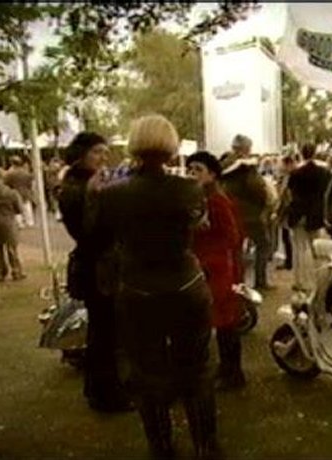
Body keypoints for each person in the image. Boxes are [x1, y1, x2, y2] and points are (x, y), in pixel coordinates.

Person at [89, 115, 217, 458]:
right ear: (170, 146)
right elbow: (199, 223)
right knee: (196, 370)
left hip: (138, 290)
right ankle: (206, 446)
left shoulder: (112, 194)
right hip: (186, 286)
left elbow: (98, 238)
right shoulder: (189, 188)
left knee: (148, 375)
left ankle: (161, 447)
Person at [58, 132, 132, 413]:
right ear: (81, 155)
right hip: (97, 269)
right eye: (97, 152)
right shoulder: (80, 188)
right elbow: (91, 232)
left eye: (105, 152)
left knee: (103, 333)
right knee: (104, 335)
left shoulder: (82, 184)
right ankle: (106, 395)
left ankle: (99, 390)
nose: (103, 157)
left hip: (98, 266)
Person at [188, 151, 246, 391]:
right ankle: (227, 370)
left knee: (225, 322)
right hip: (208, 267)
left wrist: (204, 237)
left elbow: (232, 236)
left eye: (198, 170)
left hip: (217, 269)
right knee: (221, 321)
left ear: (212, 174)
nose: (192, 174)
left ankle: (232, 373)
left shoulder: (216, 201)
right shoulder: (201, 198)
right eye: (190, 169)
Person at [220, 134, 271, 290]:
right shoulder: (246, 166)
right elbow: (255, 186)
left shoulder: (224, 165)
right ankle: (260, 281)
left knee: (237, 250)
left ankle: (238, 282)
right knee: (264, 245)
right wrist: (264, 197)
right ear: (245, 148)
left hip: (232, 212)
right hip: (250, 213)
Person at [286, 143, 332, 292]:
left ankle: (299, 281)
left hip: (298, 213)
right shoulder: (324, 173)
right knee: (316, 248)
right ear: (314, 152)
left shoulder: (295, 173)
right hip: (315, 214)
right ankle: (319, 279)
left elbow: (290, 194)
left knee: (299, 249)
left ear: (301, 153)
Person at [275, 155, 296, 270]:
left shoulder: (291, 178)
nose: (281, 167)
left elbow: (286, 197)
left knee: (288, 238)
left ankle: (290, 262)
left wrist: (280, 211)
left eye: (283, 165)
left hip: (288, 212)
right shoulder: (286, 177)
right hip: (286, 212)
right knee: (286, 238)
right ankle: (289, 261)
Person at [4, 156, 35, 228]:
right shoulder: (26, 172)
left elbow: (6, 183)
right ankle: (30, 222)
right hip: (26, 192)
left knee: (16, 209)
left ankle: (20, 223)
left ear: (12, 163)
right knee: (27, 206)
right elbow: (30, 182)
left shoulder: (10, 173)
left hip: (15, 192)